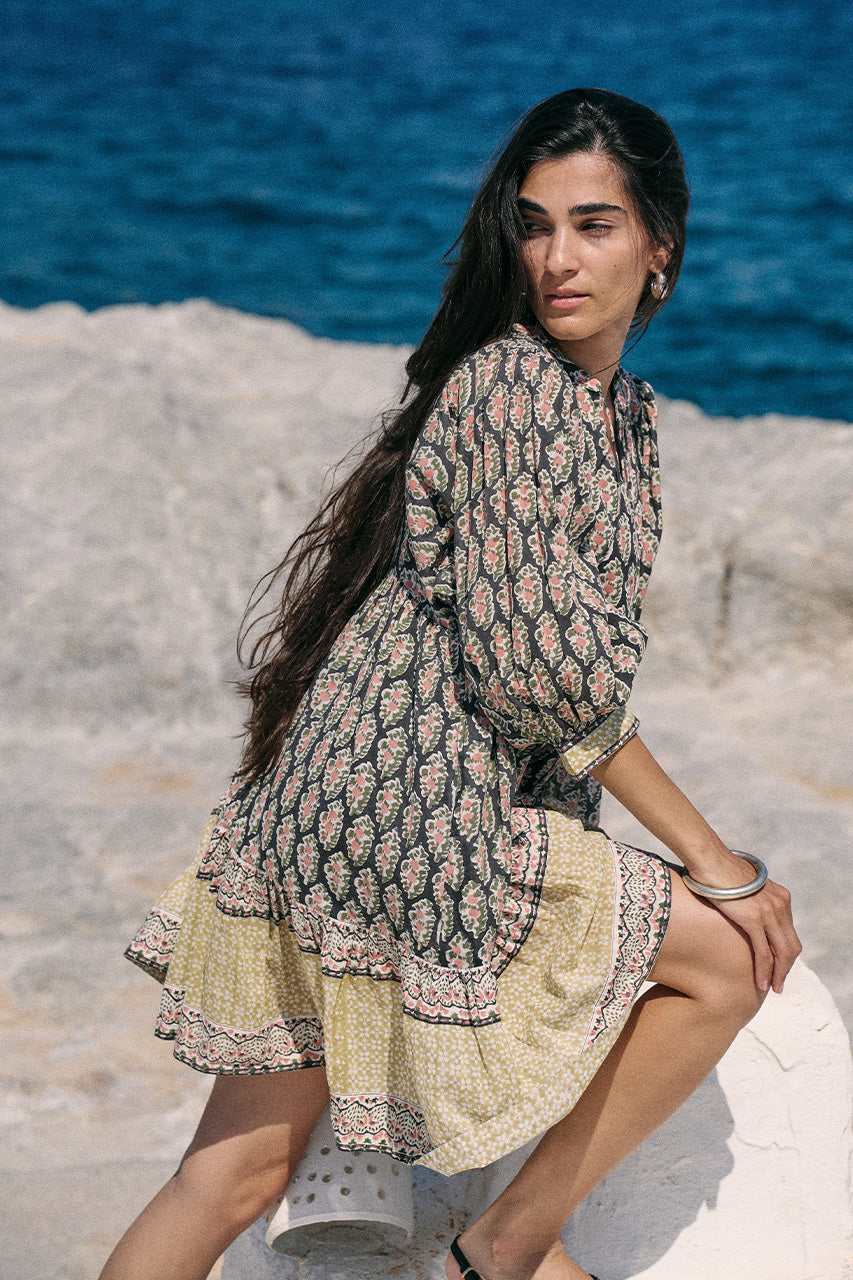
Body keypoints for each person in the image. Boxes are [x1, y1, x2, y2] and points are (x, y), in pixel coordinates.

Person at [100, 88, 801, 1280]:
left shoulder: (612, 413)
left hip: (344, 803)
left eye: (593, 224)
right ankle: (511, 1246)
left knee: (230, 1172)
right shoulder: (521, 393)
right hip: (408, 813)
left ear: (659, 248)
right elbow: (547, 683)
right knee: (728, 954)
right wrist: (722, 864)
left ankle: (511, 1244)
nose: (557, 259)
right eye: (533, 226)